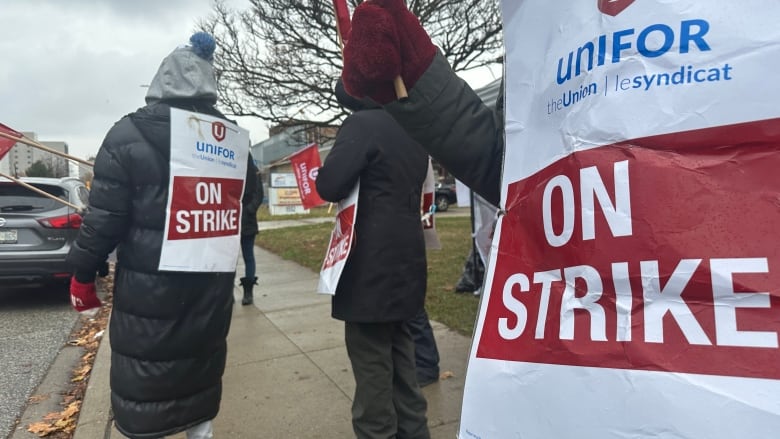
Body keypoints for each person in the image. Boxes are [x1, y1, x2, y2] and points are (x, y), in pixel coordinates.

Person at [66, 33, 257, 439]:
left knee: (146, 384)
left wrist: (84, 272)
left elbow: (104, 219)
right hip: (209, 285)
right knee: (199, 376)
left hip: (147, 290)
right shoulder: (232, 139)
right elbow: (248, 203)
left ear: (160, 82)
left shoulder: (126, 136)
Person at [315, 80, 431, 439]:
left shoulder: (362, 125)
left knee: (372, 374)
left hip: (369, 266)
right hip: (407, 260)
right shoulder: (414, 128)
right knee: (403, 363)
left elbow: (329, 185)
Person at [340, 0, 502, 207]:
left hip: (375, 230)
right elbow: (506, 166)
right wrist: (415, 75)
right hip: (411, 226)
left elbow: (332, 185)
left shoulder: (358, 126)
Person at [239, 167, 263, 305]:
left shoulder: (254, 170)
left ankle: (248, 292)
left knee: (248, 256)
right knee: (229, 260)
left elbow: (259, 194)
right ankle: (227, 293)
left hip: (247, 221)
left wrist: (249, 210)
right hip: (229, 219)